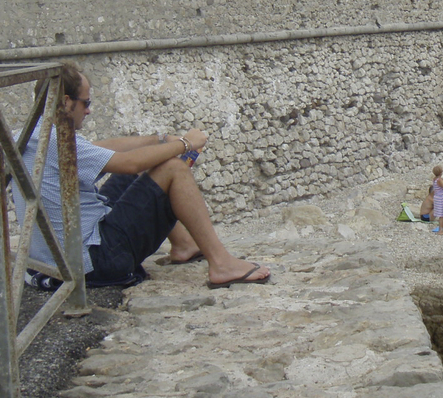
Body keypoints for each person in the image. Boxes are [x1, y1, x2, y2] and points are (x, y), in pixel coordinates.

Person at [17, 61, 269, 290]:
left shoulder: (33, 135)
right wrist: (185, 144)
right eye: (86, 103)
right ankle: (222, 264)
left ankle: (184, 245)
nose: (89, 111)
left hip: (56, 257)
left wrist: (159, 141)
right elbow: (128, 162)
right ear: (65, 102)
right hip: (95, 260)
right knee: (173, 169)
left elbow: (100, 148)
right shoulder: (57, 141)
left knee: (145, 166)